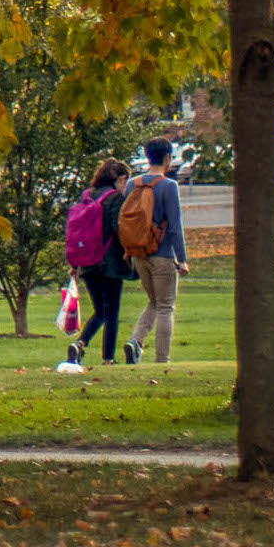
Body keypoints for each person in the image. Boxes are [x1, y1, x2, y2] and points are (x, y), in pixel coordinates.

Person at [60, 159, 142, 372]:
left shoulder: (87, 196)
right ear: (121, 179)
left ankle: (80, 345)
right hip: (110, 263)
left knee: (99, 311)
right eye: (126, 181)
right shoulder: (115, 198)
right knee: (111, 311)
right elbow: (119, 228)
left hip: (87, 263)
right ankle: (107, 357)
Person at [137, 139, 188, 363]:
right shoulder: (168, 186)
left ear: (148, 157)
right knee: (166, 306)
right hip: (163, 254)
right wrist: (183, 259)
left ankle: (135, 341)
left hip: (139, 254)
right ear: (167, 157)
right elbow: (175, 227)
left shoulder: (133, 184)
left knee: (154, 301)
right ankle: (162, 359)